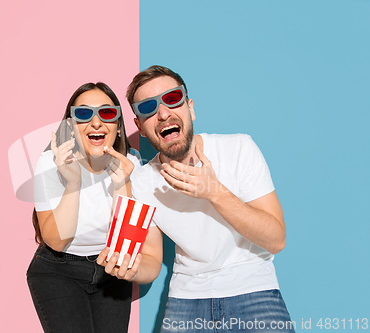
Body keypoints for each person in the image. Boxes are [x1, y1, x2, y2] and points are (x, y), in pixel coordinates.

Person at [99, 65, 294, 332]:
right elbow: (152, 260)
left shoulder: (239, 149)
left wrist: (215, 192)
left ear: (190, 108)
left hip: (253, 288)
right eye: (148, 108)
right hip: (187, 299)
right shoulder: (142, 182)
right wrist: (132, 271)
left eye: (171, 99)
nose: (163, 113)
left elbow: (276, 239)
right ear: (140, 128)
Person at [26, 82, 147, 333]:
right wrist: (73, 183)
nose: (95, 123)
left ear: (117, 125)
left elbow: (124, 246)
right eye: (83, 114)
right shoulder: (50, 162)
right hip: (58, 271)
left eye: (106, 113)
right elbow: (57, 242)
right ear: (70, 125)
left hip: (111, 273)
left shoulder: (132, 164)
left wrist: (122, 185)